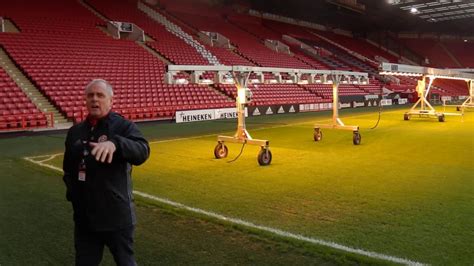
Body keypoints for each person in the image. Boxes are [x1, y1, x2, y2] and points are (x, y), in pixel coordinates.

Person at [63, 79, 150, 266]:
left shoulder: (123, 127)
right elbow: (68, 168)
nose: (95, 99)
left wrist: (116, 143)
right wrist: (73, 195)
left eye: (100, 95)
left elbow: (143, 151)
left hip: (116, 217)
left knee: (126, 262)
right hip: (85, 219)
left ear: (111, 101)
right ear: (85, 100)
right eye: (90, 95)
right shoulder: (75, 132)